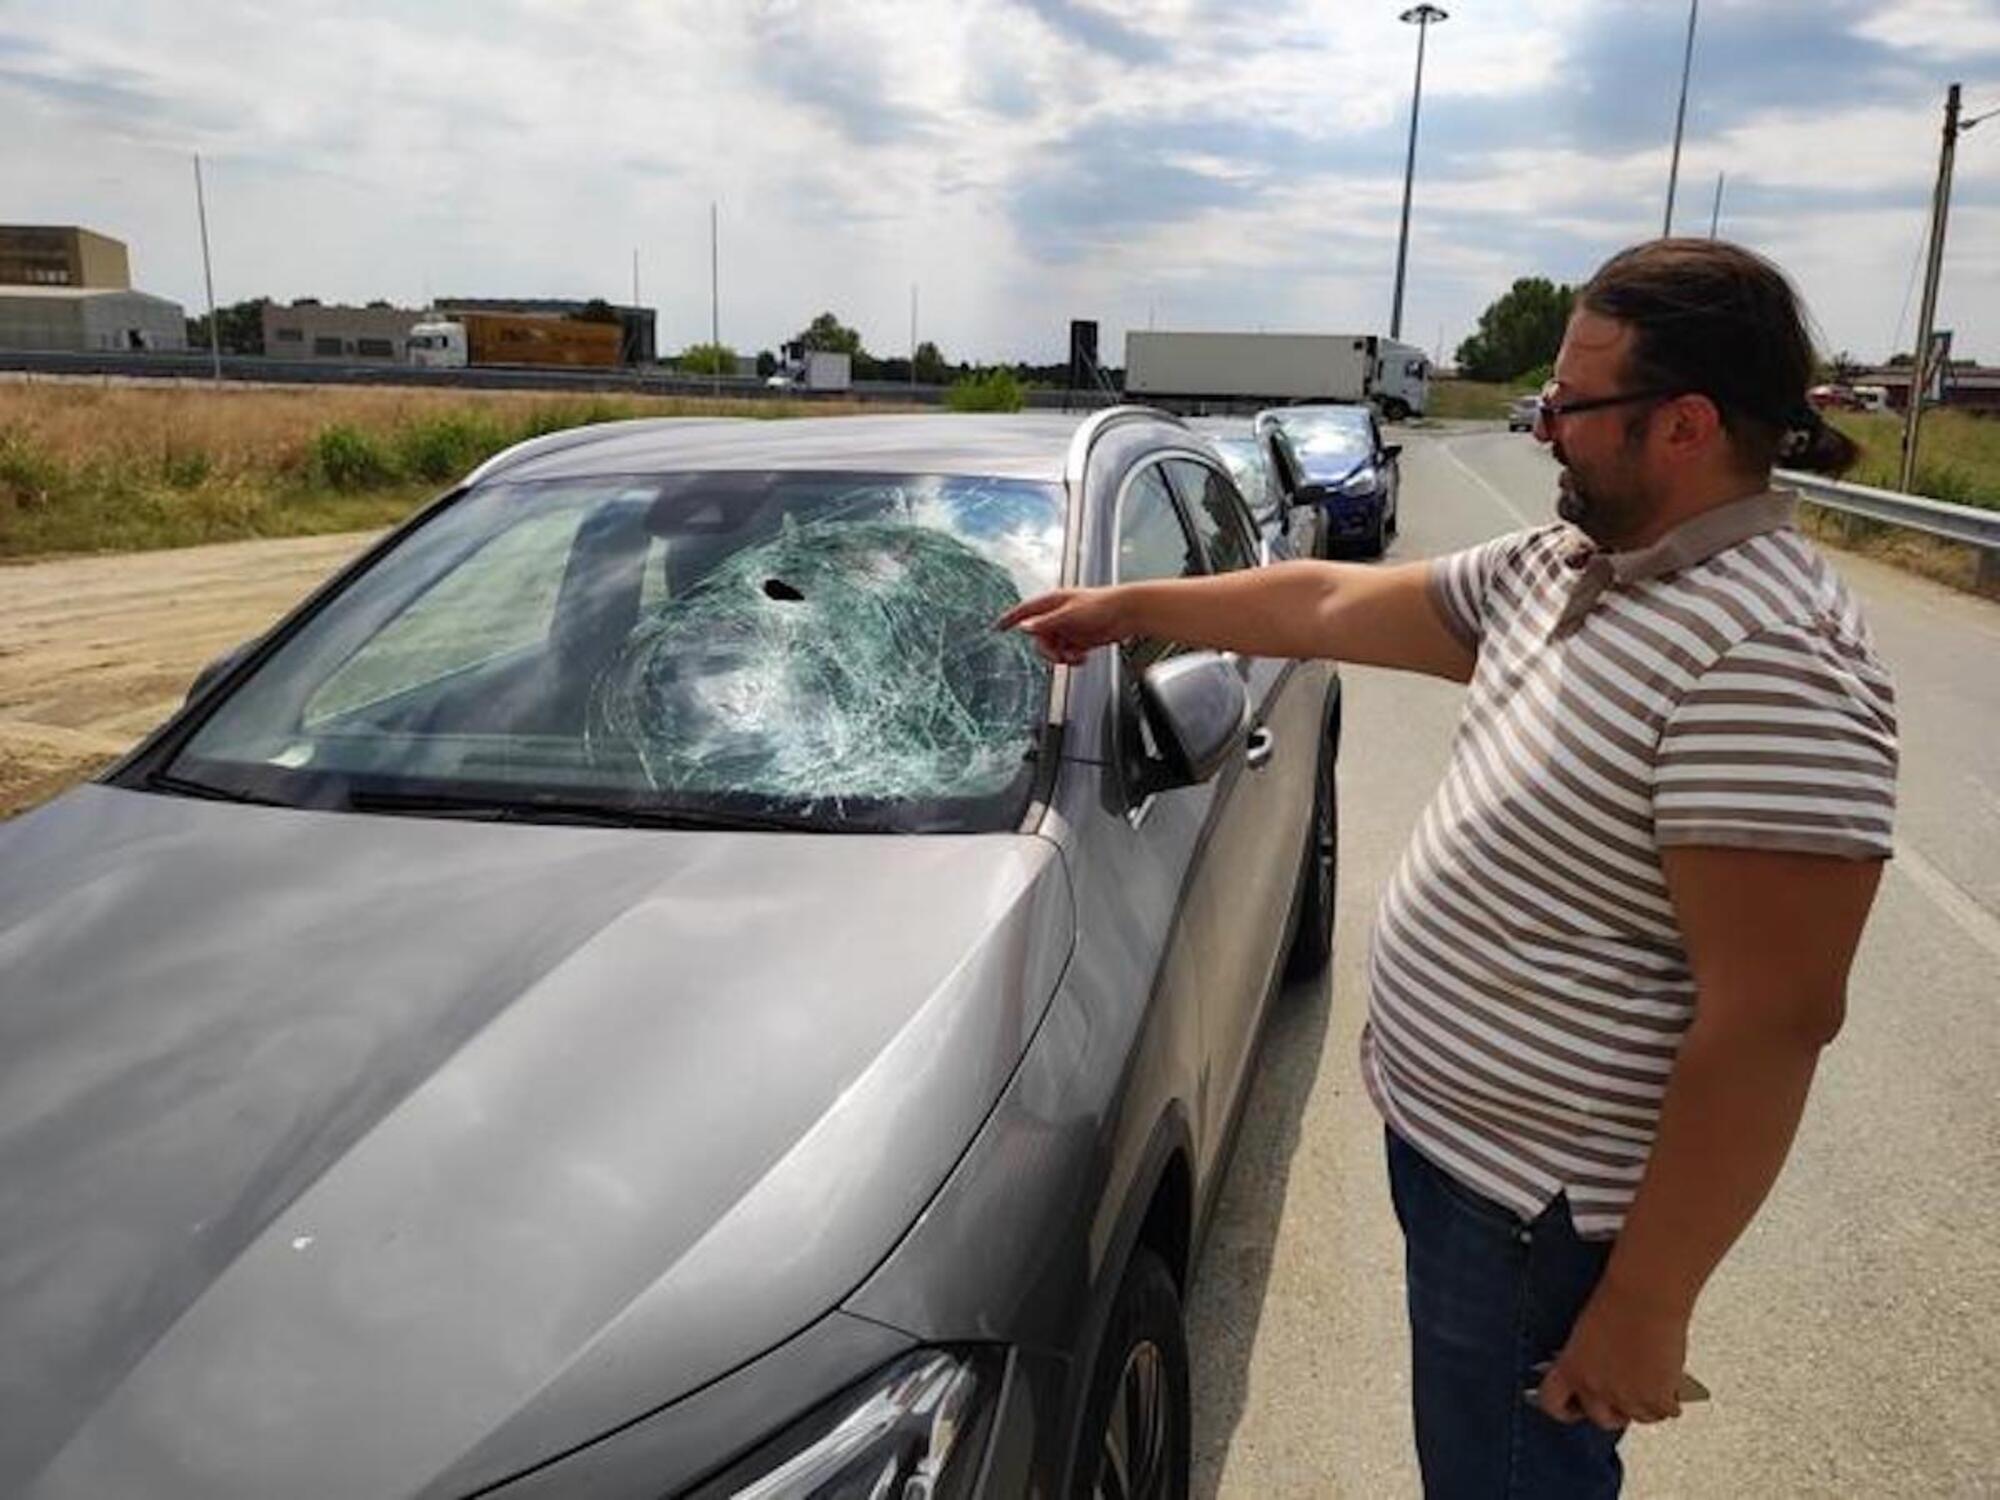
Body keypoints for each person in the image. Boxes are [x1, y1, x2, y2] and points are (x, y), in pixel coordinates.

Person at [997, 239, 1898, 1498]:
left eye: (1572, 406)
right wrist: (1124, 606)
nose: (1544, 431)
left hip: (1542, 1221)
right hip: (1459, 1160)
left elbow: (1771, 1025)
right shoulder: (1565, 570)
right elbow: (1321, 604)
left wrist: (1646, 1304)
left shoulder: (1768, 661)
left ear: (1685, 425)